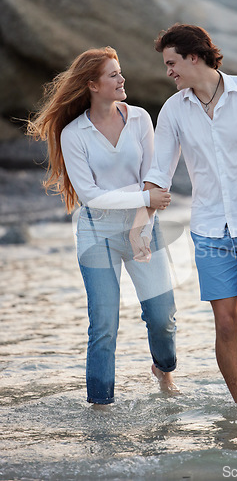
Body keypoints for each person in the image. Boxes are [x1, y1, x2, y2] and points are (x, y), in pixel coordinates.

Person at [136, 24, 237, 403]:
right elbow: (159, 173)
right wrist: (142, 222)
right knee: (225, 323)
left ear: (194, 57)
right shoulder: (173, 110)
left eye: (172, 63)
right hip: (209, 230)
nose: (168, 71)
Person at [27, 46, 179, 407]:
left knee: (162, 318)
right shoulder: (73, 134)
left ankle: (164, 369)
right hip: (97, 234)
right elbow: (92, 197)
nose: (122, 79)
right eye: (114, 74)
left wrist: (142, 222)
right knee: (104, 325)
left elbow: (151, 179)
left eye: (120, 72)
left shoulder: (140, 119)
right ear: (93, 85)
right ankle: (100, 406)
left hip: (144, 227)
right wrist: (144, 199)